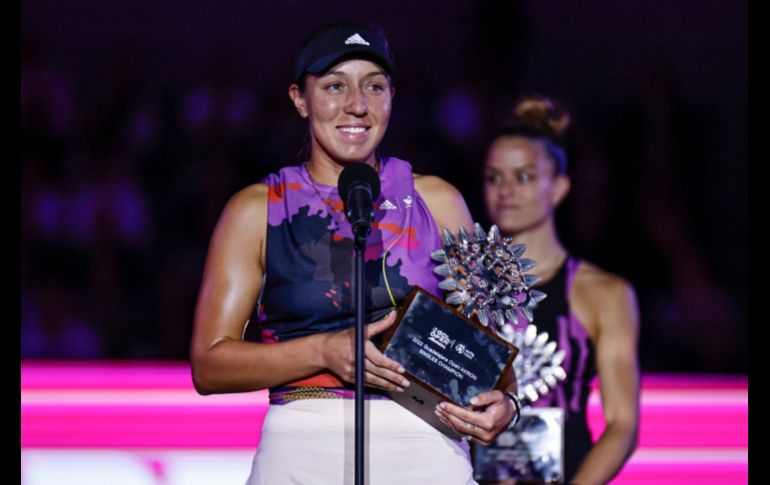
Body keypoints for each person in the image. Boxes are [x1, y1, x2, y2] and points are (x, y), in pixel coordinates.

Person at [190, 21, 518, 484]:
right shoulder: (256, 210)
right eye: (335, 86)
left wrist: (508, 405)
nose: (357, 105)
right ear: (299, 99)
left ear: (392, 97)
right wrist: (324, 350)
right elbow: (209, 365)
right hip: (301, 451)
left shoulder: (439, 202)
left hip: (427, 449)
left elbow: (490, 353)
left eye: (374, 86)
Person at [482, 95, 640, 485]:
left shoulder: (603, 293)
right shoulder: (463, 286)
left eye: (523, 177)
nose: (505, 190)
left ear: (559, 187)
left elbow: (623, 423)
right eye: (494, 177)